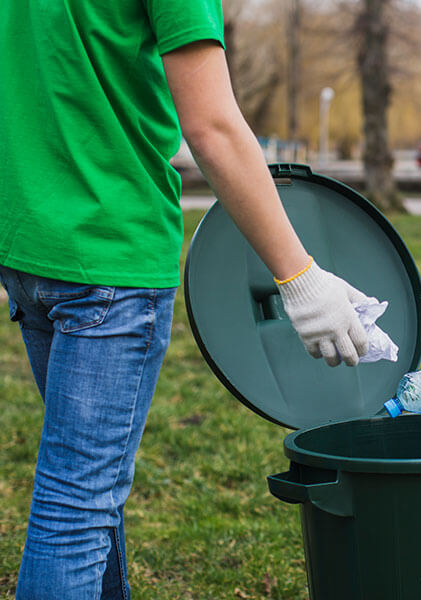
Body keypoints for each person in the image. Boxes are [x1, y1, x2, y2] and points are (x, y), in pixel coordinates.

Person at [0, 1, 370, 598]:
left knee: (92, 489)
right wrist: (300, 277)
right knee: (75, 506)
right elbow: (212, 127)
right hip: (110, 251)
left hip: (27, 248)